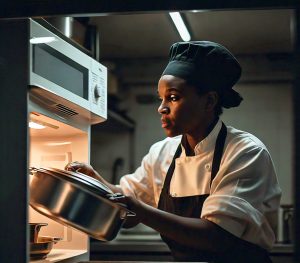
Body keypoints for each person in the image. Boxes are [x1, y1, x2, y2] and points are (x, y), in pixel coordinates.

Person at [66, 41, 282, 262]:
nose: (161, 108)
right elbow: (127, 208)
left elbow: (216, 237)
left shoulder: (245, 152)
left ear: (209, 101)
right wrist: (95, 181)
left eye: (173, 97)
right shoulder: (163, 152)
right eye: (161, 98)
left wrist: (140, 210)